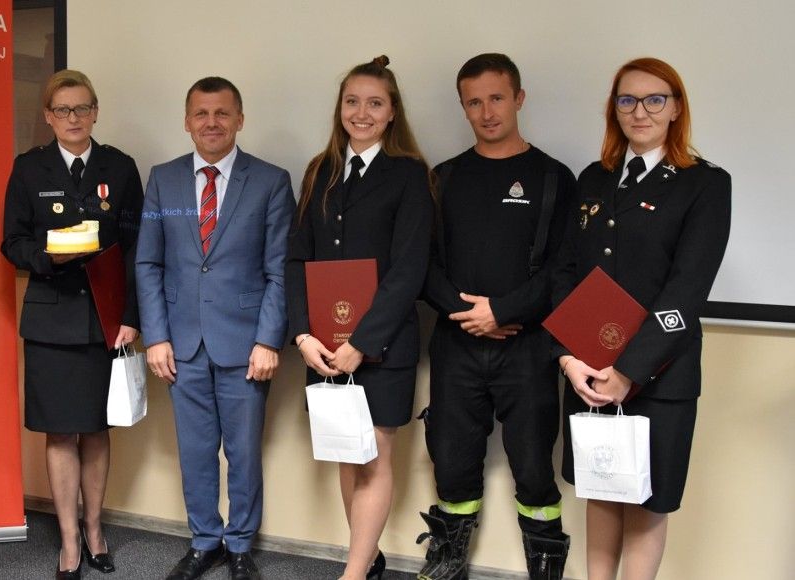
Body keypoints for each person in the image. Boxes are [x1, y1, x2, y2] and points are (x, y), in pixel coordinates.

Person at [553, 57, 731, 580]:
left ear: (676, 108)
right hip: (588, 369)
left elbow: (687, 290)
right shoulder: (594, 178)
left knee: (647, 500)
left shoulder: (704, 184)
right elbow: (566, 273)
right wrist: (568, 357)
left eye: (655, 99)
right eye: (627, 100)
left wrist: (628, 371)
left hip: (660, 374)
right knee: (602, 493)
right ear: (614, 109)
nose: (640, 111)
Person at [419, 53, 576, 580]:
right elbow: (422, 264)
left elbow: (564, 271)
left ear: (519, 99)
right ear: (463, 107)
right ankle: (447, 562)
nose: (486, 112)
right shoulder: (443, 178)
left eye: (497, 98)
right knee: (451, 461)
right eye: (474, 102)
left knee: (533, 466)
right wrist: (469, 314)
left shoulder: (554, 178)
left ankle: (545, 566)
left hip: (528, 348)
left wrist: (504, 311)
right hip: (456, 344)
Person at [136, 76, 294, 580]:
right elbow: (149, 263)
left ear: (239, 120)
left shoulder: (270, 181)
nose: (211, 122)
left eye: (222, 113)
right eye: (201, 114)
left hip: (246, 344)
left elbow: (279, 270)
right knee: (196, 451)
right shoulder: (164, 179)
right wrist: (156, 336)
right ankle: (205, 541)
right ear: (187, 122)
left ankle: (241, 544)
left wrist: (268, 340)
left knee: (243, 452)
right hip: (181, 343)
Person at [285, 55, 432, 580]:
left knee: (373, 457)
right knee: (348, 455)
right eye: (352, 101)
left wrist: (362, 343)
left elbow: (409, 270)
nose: (361, 113)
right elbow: (297, 259)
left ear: (392, 112)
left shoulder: (409, 175)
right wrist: (302, 334)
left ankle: (352, 573)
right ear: (339, 107)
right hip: (323, 347)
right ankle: (365, 560)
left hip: (382, 348)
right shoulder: (319, 171)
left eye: (374, 103)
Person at [1, 69, 142, 579]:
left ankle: (95, 529)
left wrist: (131, 317)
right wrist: (48, 256)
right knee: (60, 432)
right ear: (48, 116)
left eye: (82, 108)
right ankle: (67, 541)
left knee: (97, 429)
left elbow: (137, 250)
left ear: (95, 111)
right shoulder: (28, 168)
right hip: (51, 319)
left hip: (105, 319)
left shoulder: (120, 168)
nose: (74, 117)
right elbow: (12, 242)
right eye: (63, 110)